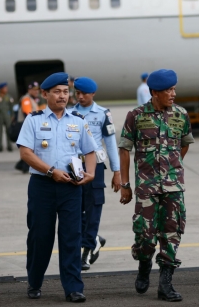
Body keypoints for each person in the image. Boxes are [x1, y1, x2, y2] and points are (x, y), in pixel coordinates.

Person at [16, 72, 98, 303]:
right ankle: (34, 281)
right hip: (42, 186)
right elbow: (25, 153)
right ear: (45, 94)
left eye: (65, 92)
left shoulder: (78, 121)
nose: (63, 96)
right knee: (40, 236)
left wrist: (90, 173)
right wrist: (51, 171)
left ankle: (73, 288)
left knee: (71, 237)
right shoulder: (33, 120)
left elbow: (90, 151)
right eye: (57, 92)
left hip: (71, 187)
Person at [118, 69, 194, 302]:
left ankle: (165, 284)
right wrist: (126, 184)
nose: (173, 93)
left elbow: (184, 144)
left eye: (174, 89)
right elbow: (124, 149)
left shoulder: (181, 114)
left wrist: (173, 168)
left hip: (174, 187)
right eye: (168, 90)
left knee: (172, 232)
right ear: (154, 93)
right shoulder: (136, 115)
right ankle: (143, 265)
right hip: (146, 187)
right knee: (145, 235)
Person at [71, 77, 122, 270]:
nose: (81, 96)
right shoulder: (68, 113)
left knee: (93, 207)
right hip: (75, 166)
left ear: (93, 94)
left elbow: (110, 143)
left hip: (97, 166)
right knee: (76, 207)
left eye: (84, 93)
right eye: (78, 93)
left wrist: (116, 171)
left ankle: (87, 249)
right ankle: (92, 239)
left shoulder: (102, 114)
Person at [15, 82, 40, 174]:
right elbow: (27, 112)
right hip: (26, 125)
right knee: (29, 147)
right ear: (29, 90)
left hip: (31, 125)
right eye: (34, 90)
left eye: (37, 89)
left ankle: (22, 165)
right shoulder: (26, 99)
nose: (37, 92)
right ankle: (23, 165)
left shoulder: (32, 99)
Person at [0, 82, 14, 152]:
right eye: (4, 88)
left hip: (7, 116)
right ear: (0, 89)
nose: (6, 89)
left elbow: (11, 107)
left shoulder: (9, 97)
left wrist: (12, 116)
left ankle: (9, 146)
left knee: (8, 131)